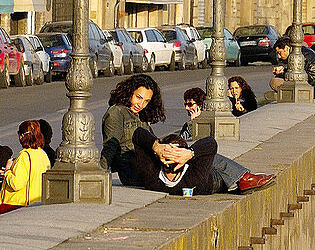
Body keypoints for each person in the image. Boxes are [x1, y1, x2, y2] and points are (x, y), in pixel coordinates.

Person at [116, 79, 273, 194]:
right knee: (213, 158)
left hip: (142, 168)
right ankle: (243, 178)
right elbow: (210, 144)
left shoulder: (152, 177)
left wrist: (158, 147)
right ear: (184, 163)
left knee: (208, 156)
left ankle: (245, 177)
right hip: (215, 179)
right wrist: (190, 153)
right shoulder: (193, 178)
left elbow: (138, 135)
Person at [101, 75, 166, 187]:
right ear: (129, 92)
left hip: (148, 162)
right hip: (131, 168)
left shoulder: (140, 114)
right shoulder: (116, 112)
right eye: (138, 97)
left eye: (146, 101)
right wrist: (101, 173)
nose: (141, 104)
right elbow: (110, 146)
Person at [0, 120, 51, 213]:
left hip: (18, 204)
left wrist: (7, 171)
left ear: (22, 136)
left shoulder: (25, 155)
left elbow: (16, 184)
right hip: (36, 202)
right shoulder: (42, 154)